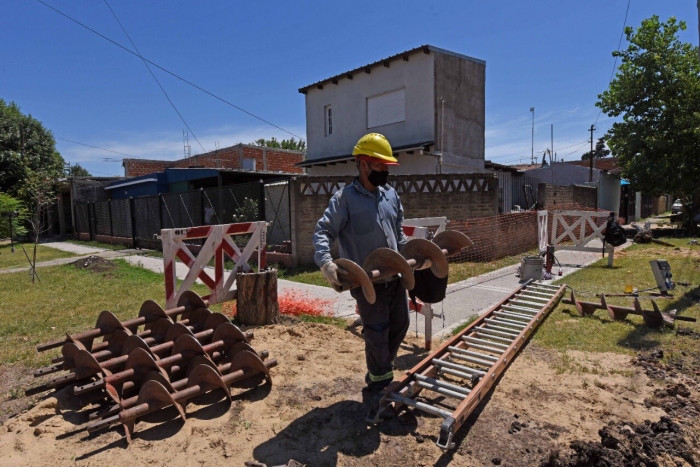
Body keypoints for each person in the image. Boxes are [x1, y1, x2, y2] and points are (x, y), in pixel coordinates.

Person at [313, 133, 411, 420]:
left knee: (400, 325)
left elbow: (399, 233)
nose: (386, 171)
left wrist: (413, 257)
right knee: (377, 333)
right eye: (381, 166)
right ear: (363, 164)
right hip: (368, 283)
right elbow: (322, 232)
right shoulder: (344, 200)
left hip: (394, 277)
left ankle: (381, 373)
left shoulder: (390, 195)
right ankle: (376, 392)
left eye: (387, 166)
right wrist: (326, 264)